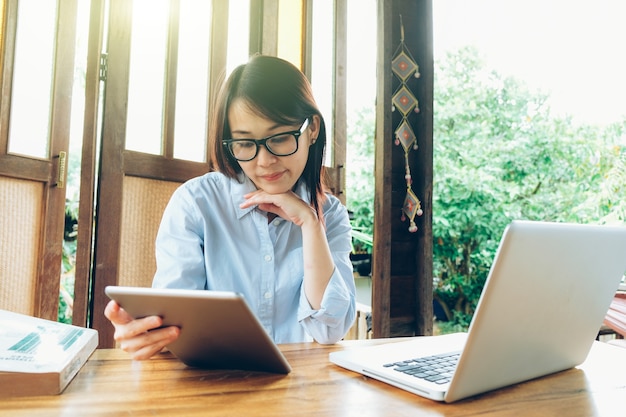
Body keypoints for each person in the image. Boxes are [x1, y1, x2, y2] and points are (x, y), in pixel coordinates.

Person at [104, 54, 357, 360]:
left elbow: (330, 332)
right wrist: (151, 335)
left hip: (301, 393)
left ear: (312, 129)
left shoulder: (331, 215)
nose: (265, 161)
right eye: (246, 144)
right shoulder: (196, 204)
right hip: (216, 386)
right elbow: (175, 324)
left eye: (279, 138)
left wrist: (310, 223)